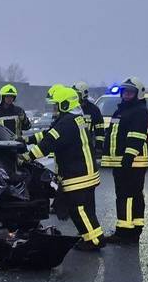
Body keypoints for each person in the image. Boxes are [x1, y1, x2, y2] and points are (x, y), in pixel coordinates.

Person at [24, 85, 104, 252]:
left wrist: (26, 157)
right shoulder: (73, 119)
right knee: (86, 209)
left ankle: (95, 240)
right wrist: (28, 139)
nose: (54, 109)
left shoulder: (66, 123)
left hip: (78, 174)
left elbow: (48, 143)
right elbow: (49, 133)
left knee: (79, 209)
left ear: (65, 104)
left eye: (56, 105)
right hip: (85, 171)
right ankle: (91, 237)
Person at [102, 77, 148, 243]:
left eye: (130, 92)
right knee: (131, 195)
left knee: (127, 196)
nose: (126, 94)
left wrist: (128, 158)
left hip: (132, 162)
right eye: (124, 91)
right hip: (122, 161)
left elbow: (136, 137)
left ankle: (125, 232)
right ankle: (133, 230)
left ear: (138, 94)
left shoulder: (140, 112)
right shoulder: (122, 110)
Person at [73, 82, 104, 154]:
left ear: (84, 94)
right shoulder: (71, 108)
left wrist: (98, 146)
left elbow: (99, 130)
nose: (75, 96)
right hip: (72, 146)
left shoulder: (93, 109)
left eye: (77, 94)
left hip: (87, 147)